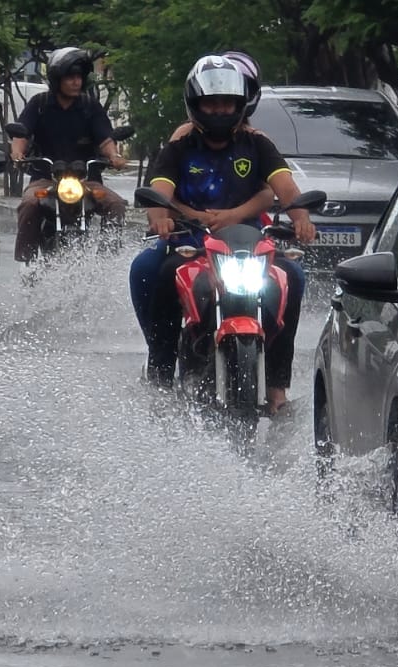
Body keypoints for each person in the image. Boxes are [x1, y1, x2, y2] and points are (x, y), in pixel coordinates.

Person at [137, 55, 316, 415]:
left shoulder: (257, 143)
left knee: (293, 277)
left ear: (240, 105)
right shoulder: (180, 145)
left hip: (249, 241)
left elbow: (285, 187)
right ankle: (160, 373)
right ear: (195, 104)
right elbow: (158, 191)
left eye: (227, 103)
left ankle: (278, 387)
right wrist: (162, 219)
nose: (219, 111)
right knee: (155, 272)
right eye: (211, 102)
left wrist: (302, 219)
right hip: (190, 240)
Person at [10, 47, 129, 262]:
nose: (76, 82)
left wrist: (114, 156)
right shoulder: (40, 104)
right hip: (45, 179)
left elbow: (105, 139)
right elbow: (22, 132)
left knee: (117, 204)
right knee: (28, 204)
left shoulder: (90, 106)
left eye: (79, 77)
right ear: (57, 80)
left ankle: (107, 260)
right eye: (70, 77)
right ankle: (25, 262)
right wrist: (17, 153)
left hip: (86, 180)